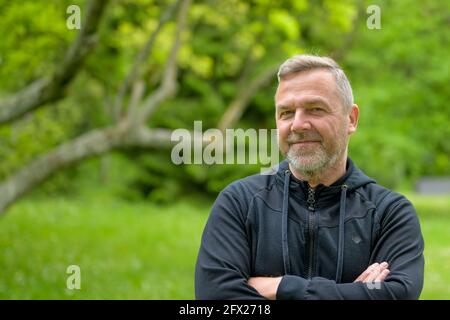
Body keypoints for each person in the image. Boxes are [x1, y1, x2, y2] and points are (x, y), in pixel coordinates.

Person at [194, 54, 424, 300]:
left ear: (351, 119)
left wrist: (279, 287)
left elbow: (399, 294)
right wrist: (353, 293)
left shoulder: (389, 214)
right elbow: (216, 298)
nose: (298, 124)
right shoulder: (240, 203)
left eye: (315, 109)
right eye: (286, 113)